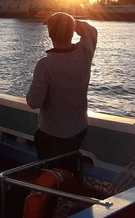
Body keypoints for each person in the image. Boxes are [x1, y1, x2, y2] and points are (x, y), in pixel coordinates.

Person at [26, 13, 98, 162]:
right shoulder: (85, 52)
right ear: (72, 32)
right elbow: (90, 30)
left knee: (51, 172)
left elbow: (33, 103)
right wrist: (69, 22)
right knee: (69, 165)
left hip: (51, 134)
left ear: (50, 34)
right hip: (79, 129)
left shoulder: (45, 65)